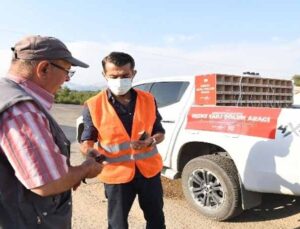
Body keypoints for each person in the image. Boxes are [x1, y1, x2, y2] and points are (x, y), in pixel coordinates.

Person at [0, 35, 104, 229]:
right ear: (44, 68)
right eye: (67, 71)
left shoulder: (5, 94)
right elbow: (47, 183)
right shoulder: (23, 111)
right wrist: (87, 168)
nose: (66, 79)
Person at [80, 52, 166, 229]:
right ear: (104, 75)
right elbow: (86, 140)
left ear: (133, 73)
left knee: (156, 220)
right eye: (114, 76)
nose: (120, 80)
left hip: (149, 173)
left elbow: (160, 131)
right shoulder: (93, 104)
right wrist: (91, 153)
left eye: (125, 76)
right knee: (117, 224)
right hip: (116, 176)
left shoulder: (148, 100)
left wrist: (151, 141)